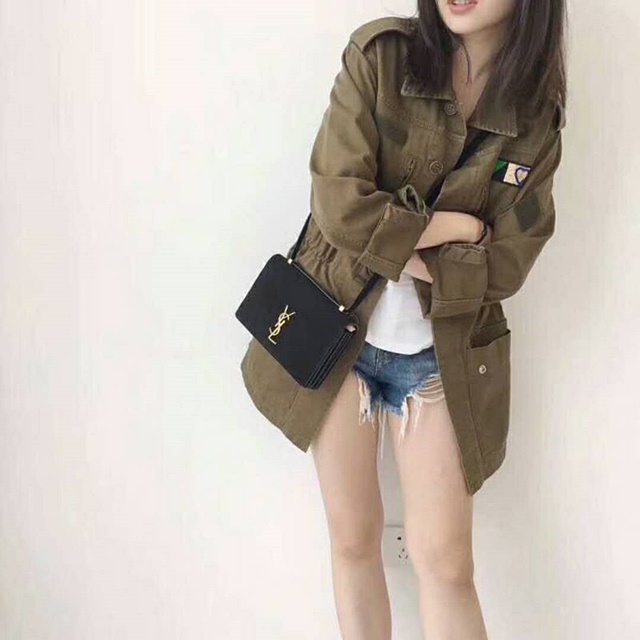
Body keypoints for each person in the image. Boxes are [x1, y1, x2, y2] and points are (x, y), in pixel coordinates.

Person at [239, 1, 567, 638]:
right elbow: (339, 202)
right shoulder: (381, 58)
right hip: (335, 333)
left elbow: (507, 263)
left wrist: (392, 240)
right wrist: (455, 228)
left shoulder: (534, 117)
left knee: (446, 562)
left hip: (443, 354)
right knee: (353, 540)